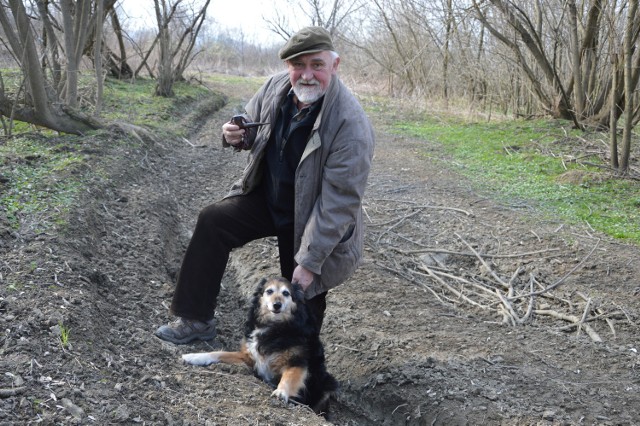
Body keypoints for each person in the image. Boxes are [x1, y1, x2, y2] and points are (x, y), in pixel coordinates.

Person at [155, 26, 375, 344]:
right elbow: (248, 121)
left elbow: (339, 201)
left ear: (334, 65)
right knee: (214, 220)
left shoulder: (350, 124)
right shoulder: (276, 87)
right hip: (269, 197)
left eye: (317, 65)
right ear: (288, 67)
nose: (307, 75)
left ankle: (300, 373)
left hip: (313, 216)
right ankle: (195, 319)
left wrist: (310, 263)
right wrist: (237, 134)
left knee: (303, 286)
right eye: (298, 65)